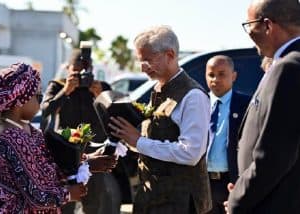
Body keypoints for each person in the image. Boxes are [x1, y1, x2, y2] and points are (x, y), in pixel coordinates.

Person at [109, 25, 212, 214]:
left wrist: (139, 142)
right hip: (153, 198)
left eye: (148, 60)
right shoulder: (159, 89)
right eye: (141, 61)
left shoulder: (193, 96)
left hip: (179, 203)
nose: (142, 67)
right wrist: (127, 136)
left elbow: (191, 153)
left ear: (170, 55)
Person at [0, 62, 86, 213]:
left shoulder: (17, 126)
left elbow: (47, 162)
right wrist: (69, 194)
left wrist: (87, 162)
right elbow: (37, 195)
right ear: (21, 101)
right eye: (38, 96)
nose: (40, 103)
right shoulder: (12, 136)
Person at [225, 0, 300, 213]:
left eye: (249, 25)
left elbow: (274, 155)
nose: (248, 33)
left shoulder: (289, 68)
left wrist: (237, 200)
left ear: (267, 25)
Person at [40, 49, 121, 214]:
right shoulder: (58, 85)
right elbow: (46, 110)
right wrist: (66, 91)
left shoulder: (101, 86)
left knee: (95, 203)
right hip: (65, 155)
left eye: (85, 71)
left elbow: (115, 114)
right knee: (65, 205)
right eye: (76, 71)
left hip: (95, 154)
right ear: (68, 68)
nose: (81, 76)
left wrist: (101, 95)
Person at [204, 55, 251, 214]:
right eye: (211, 75)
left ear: (234, 76)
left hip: (231, 182)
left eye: (221, 74)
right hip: (203, 182)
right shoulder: (198, 103)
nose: (215, 79)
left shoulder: (246, 105)